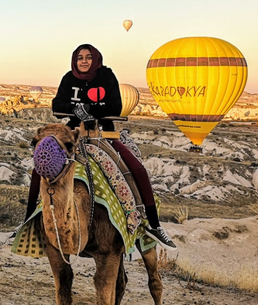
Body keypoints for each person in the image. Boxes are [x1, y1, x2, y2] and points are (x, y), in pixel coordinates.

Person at [23, 43, 176, 250]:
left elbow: (115, 106)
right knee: (41, 167)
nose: (84, 61)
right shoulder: (69, 78)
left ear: (96, 59)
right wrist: (79, 110)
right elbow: (57, 106)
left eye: (88, 57)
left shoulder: (106, 77)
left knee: (137, 170)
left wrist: (89, 109)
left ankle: (153, 224)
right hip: (74, 135)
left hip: (104, 134)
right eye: (80, 58)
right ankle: (28, 219)